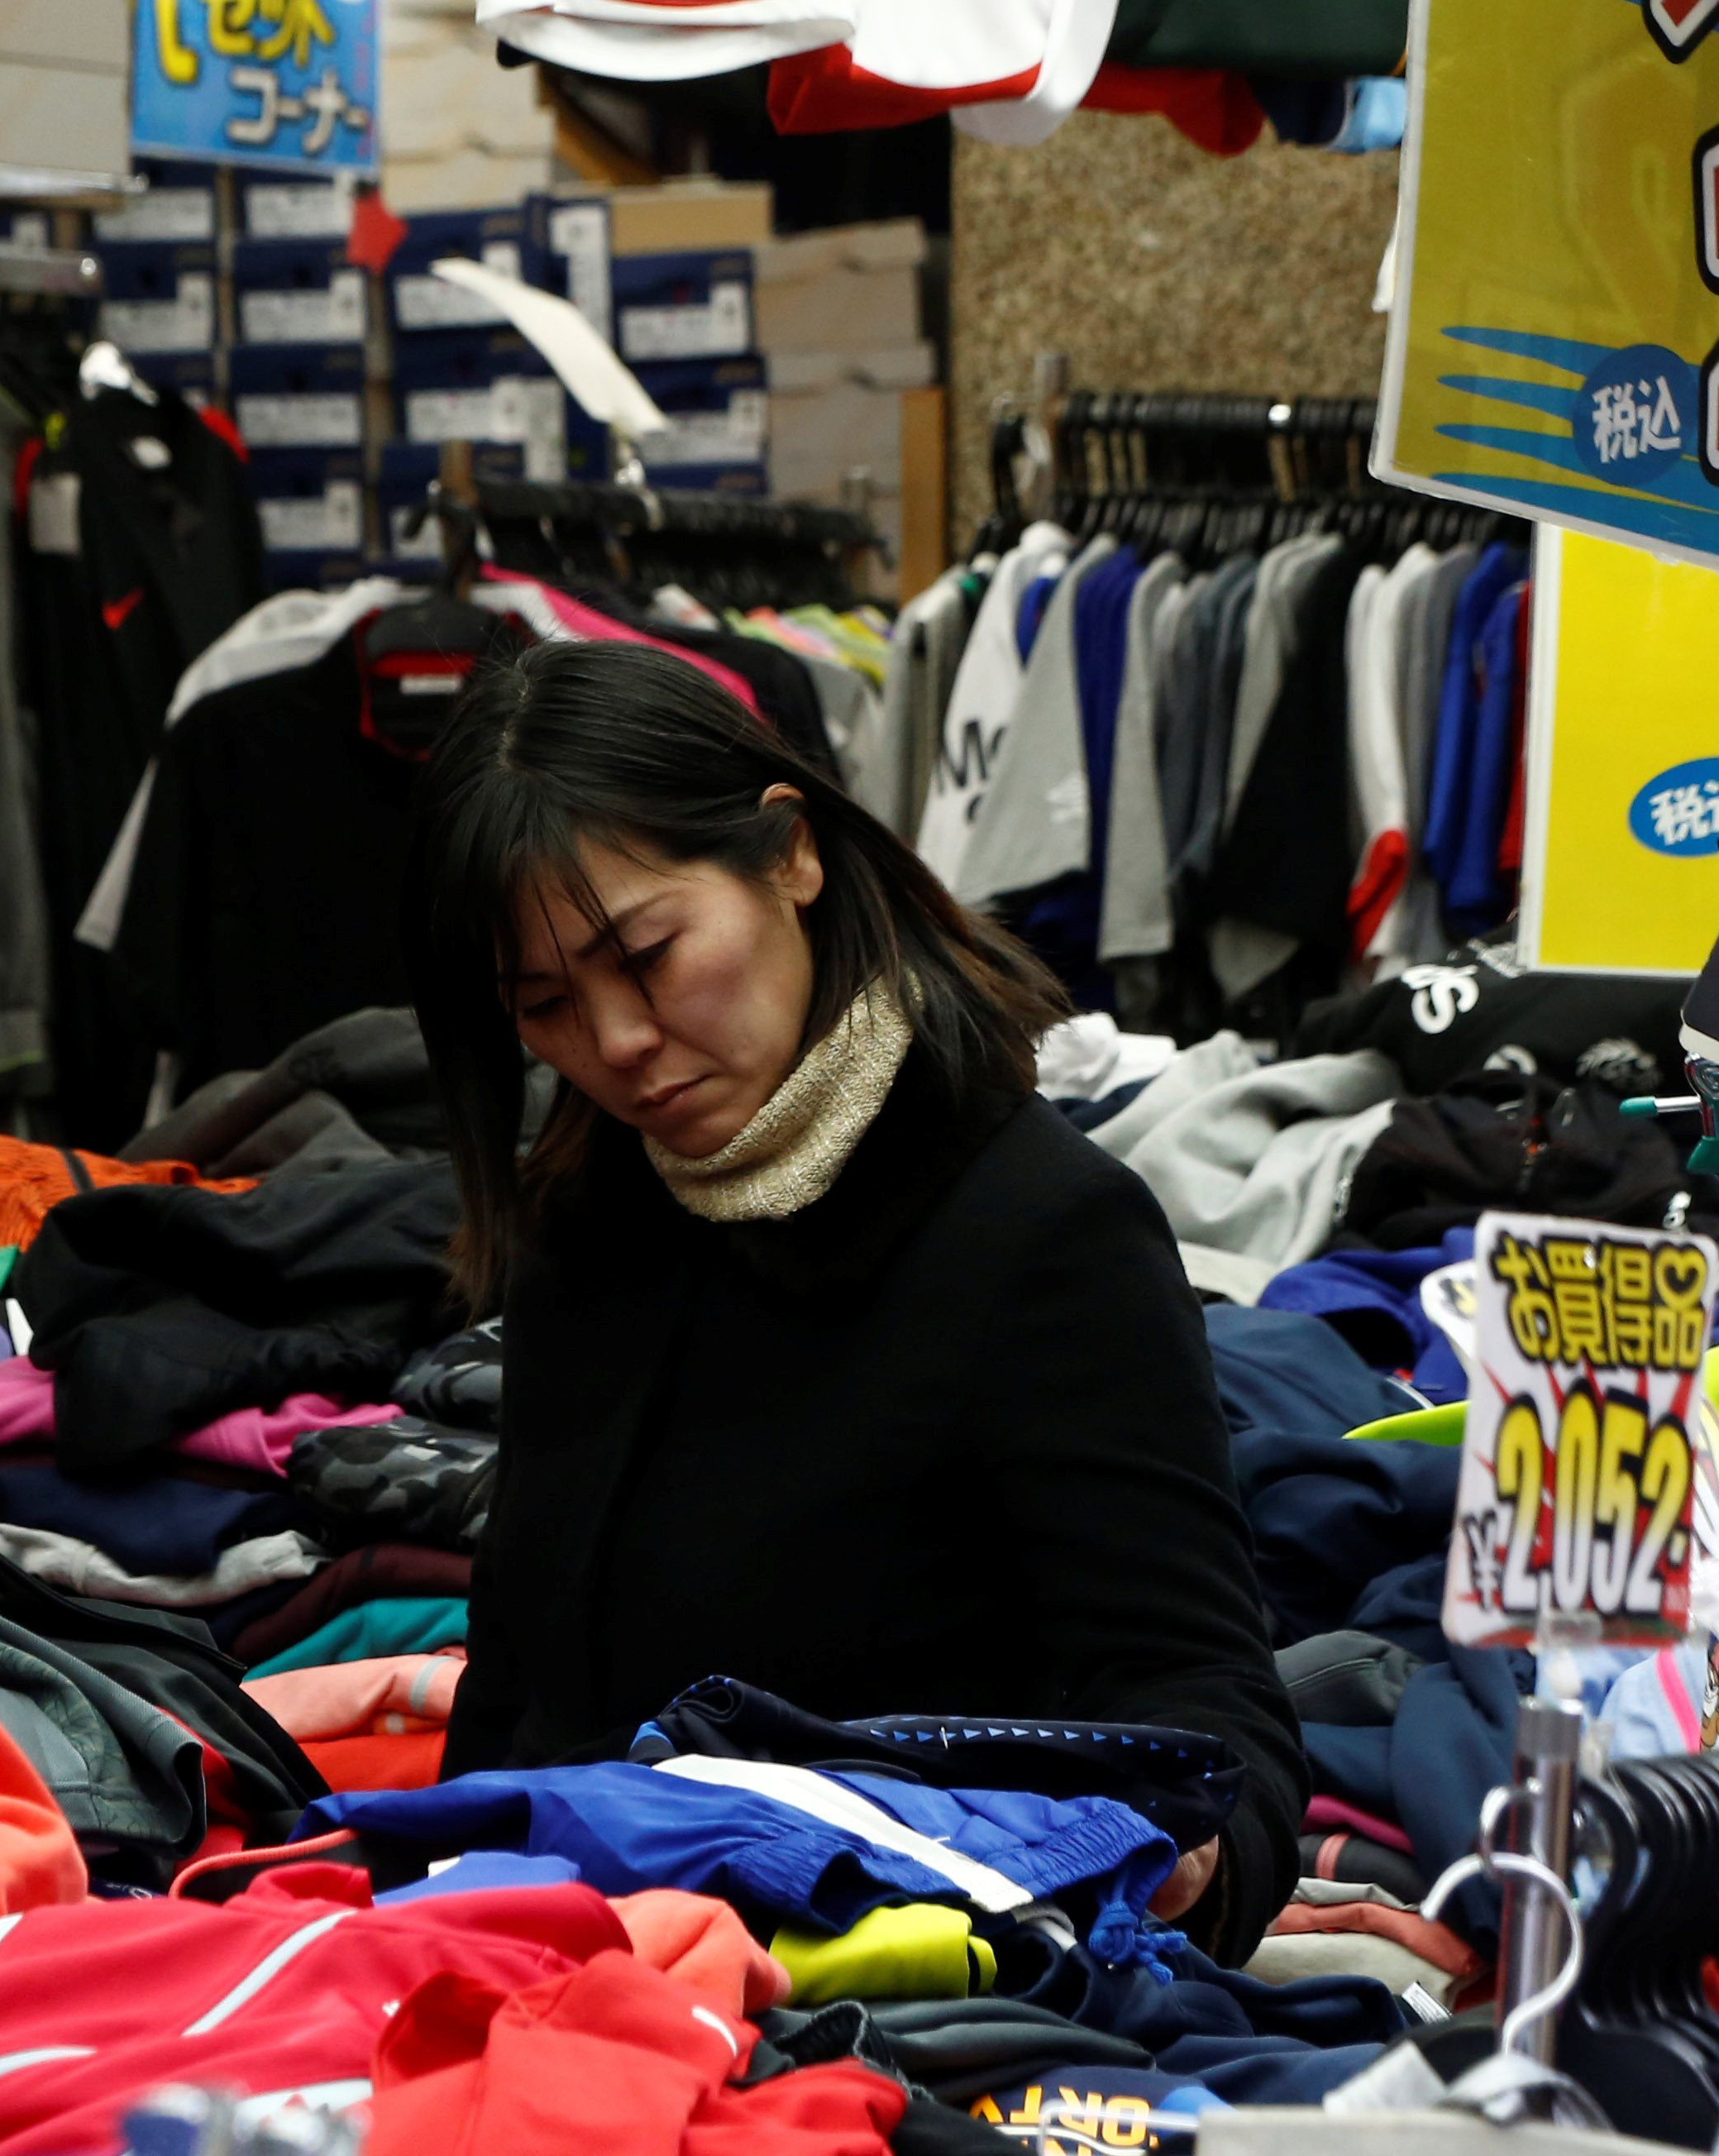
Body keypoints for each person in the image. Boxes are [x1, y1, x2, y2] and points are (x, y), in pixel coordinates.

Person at [403, 638, 1306, 1953]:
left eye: (645, 955)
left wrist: (1178, 1857)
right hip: (557, 1971)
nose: (613, 1041)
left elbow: (1203, 1700)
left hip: (878, 2000)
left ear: (789, 852)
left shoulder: (1038, 1230)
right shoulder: (585, 1224)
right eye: (543, 1003)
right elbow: (513, 1695)